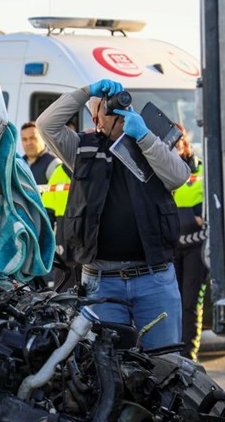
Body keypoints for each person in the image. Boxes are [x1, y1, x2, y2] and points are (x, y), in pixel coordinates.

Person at [35, 80, 190, 349]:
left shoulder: (149, 143)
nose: (117, 109)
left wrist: (143, 136)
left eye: (121, 101)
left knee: (165, 364)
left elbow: (179, 176)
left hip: (154, 278)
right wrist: (86, 92)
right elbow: (46, 125)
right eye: (108, 106)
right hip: (101, 282)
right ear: (96, 118)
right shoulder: (82, 149)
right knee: (108, 367)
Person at [172, 131, 207, 360]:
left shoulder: (200, 169)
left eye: (175, 143)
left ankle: (188, 354)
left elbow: (211, 201)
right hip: (169, 247)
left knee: (190, 302)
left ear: (184, 143)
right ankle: (171, 351)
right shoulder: (157, 167)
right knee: (170, 302)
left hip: (195, 247)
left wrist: (191, 217)